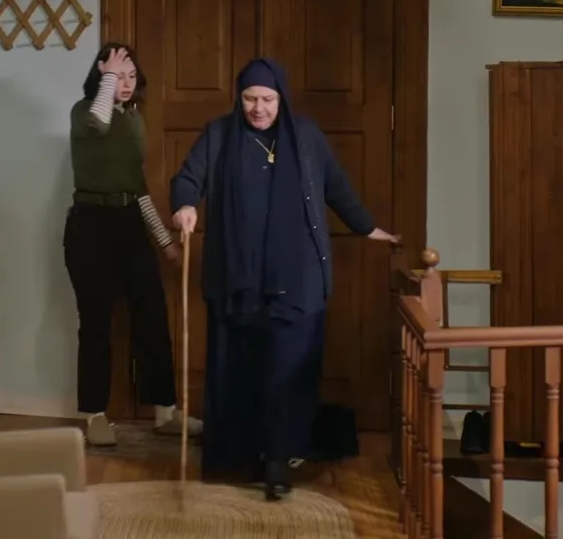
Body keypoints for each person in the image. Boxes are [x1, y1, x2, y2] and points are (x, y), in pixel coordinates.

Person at [169, 57, 401, 501]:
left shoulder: (306, 137)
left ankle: (278, 460)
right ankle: (238, 457)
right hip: (238, 281)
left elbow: (336, 188)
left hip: (297, 280)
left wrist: (369, 228)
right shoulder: (219, 134)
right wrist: (185, 205)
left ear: (282, 99)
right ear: (238, 98)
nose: (258, 108)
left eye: (267, 99)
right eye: (250, 98)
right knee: (240, 371)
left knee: (285, 373)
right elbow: (187, 179)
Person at [64, 43, 203, 447]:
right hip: (89, 225)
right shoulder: (83, 111)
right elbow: (98, 124)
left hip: (128, 224)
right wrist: (108, 76)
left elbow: (137, 187)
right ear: (101, 75)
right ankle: (95, 415)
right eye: (116, 75)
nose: (125, 83)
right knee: (96, 324)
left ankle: (165, 412)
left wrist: (164, 242)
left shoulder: (134, 119)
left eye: (130, 75)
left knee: (153, 317)